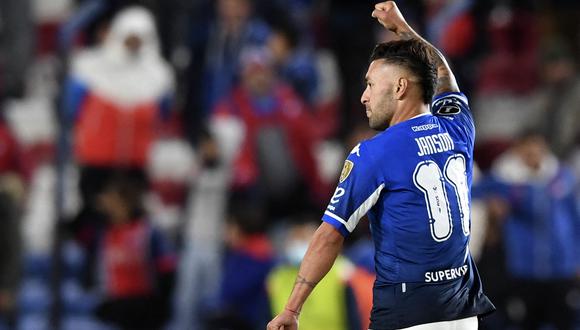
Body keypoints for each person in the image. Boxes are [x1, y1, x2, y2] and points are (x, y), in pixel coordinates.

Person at [267, 2, 495, 330]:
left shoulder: (374, 153)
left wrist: (292, 308)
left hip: (408, 314)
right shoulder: (459, 126)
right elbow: (442, 73)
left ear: (400, 88)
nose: (363, 96)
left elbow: (330, 234)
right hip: (462, 313)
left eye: (371, 84)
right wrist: (403, 29)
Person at [481, 131, 579, 329]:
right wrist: (491, 209)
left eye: (538, 146)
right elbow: (475, 195)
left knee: (564, 320)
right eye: (528, 147)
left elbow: (574, 217)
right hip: (524, 267)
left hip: (561, 265)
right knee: (526, 322)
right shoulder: (504, 179)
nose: (533, 151)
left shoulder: (562, 176)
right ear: (518, 149)